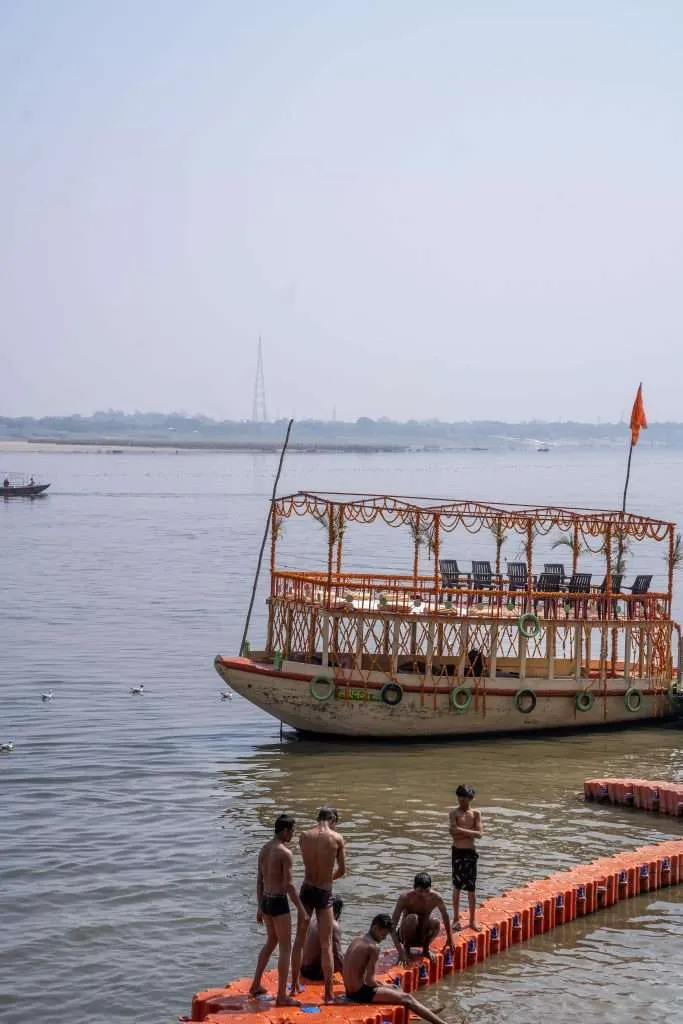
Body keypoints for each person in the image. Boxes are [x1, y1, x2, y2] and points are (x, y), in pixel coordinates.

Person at [342, 913, 450, 1024]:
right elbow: (370, 981)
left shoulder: (357, 939)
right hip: (359, 994)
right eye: (383, 935)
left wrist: (386, 987)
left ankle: (419, 1013)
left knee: (394, 987)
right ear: (375, 928)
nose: (383, 939)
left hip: (349, 991)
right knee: (407, 998)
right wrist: (383, 986)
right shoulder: (373, 947)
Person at [249, 812, 309, 1006]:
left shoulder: (264, 849)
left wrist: (259, 907)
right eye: (292, 831)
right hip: (278, 902)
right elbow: (289, 886)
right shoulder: (285, 852)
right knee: (285, 947)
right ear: (285, 831)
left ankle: (256, 984)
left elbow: (259, 880)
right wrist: (301, 909)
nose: (293, 835)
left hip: (266, 900)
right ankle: (282, 996)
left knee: (271, 941)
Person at [290, 806, 346, 1003]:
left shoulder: (304, 836)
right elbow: (342, 870)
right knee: (326, 944)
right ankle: (329, 993)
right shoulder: (337, 838)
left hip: (306, 889)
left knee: (299, 939)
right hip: (324, 890)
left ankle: (295, 985)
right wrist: (327, 878)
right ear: (333, 820)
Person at [391, 872, 454, 959]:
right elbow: (392, 926)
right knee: (412, 918)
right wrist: (400, 952)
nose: (423, 895)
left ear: (430, 888)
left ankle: (425, 949)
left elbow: (446, 917)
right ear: (414, 888)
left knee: (435, 922)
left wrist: (450, 939)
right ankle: (407, 949)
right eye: (420, 891)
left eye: (426, 891)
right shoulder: (405, 898)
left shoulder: (436, 898)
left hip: (423, 935)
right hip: (405, 936)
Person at [449, 784, 483, 932]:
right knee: (457, 886)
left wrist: (460, 830)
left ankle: (472, 920)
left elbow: (480, 834)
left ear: (471, 799)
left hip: (470, 852)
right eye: (459, 798)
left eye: (464, 799)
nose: (461, 802)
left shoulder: (476, 813)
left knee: (471, 887)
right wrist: (470, 832)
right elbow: (453, 834)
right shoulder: (454, 813)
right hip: (457, 851)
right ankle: (456, 919)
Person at [300, 896, 344, 981]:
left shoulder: (313, 918)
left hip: (303, 969)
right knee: (344, 957)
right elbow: (338, 955)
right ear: (338, 912)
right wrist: (348, 981)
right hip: (315, 972)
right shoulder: (333, 924)